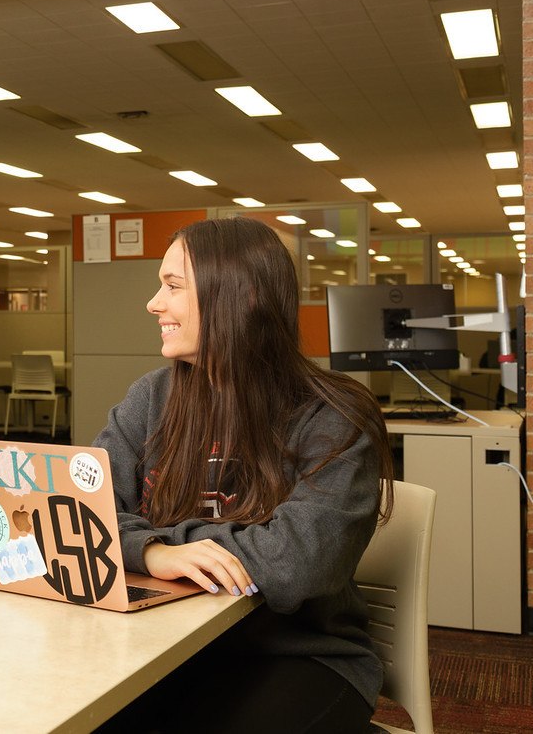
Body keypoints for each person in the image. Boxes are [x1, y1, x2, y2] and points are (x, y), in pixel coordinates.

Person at [94, 217, 393, 734]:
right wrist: (156, 553)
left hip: (298, 654)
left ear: (243, 294)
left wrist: (164, 543)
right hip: (160, 645)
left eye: (173, 286)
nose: (153, 304)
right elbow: (82, 517)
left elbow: (298, 563)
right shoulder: (150, 398)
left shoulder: (334, 414)